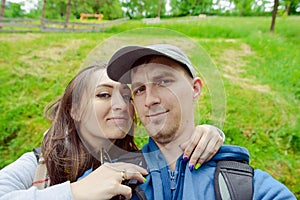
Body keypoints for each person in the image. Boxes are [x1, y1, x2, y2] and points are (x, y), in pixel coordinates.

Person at [0, 63, 224, 200]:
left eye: (127, 96)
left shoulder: (137, 163)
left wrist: (208, 134)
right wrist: (75, 193)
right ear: (75, 110)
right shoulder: (39, 163)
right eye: (104, 95)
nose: (121, 105)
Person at [106, 44, 297, 199]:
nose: (149, 100)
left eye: (163, 82)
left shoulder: (244, 186)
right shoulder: (114, 178)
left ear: (195, 89)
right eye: (139, 89)